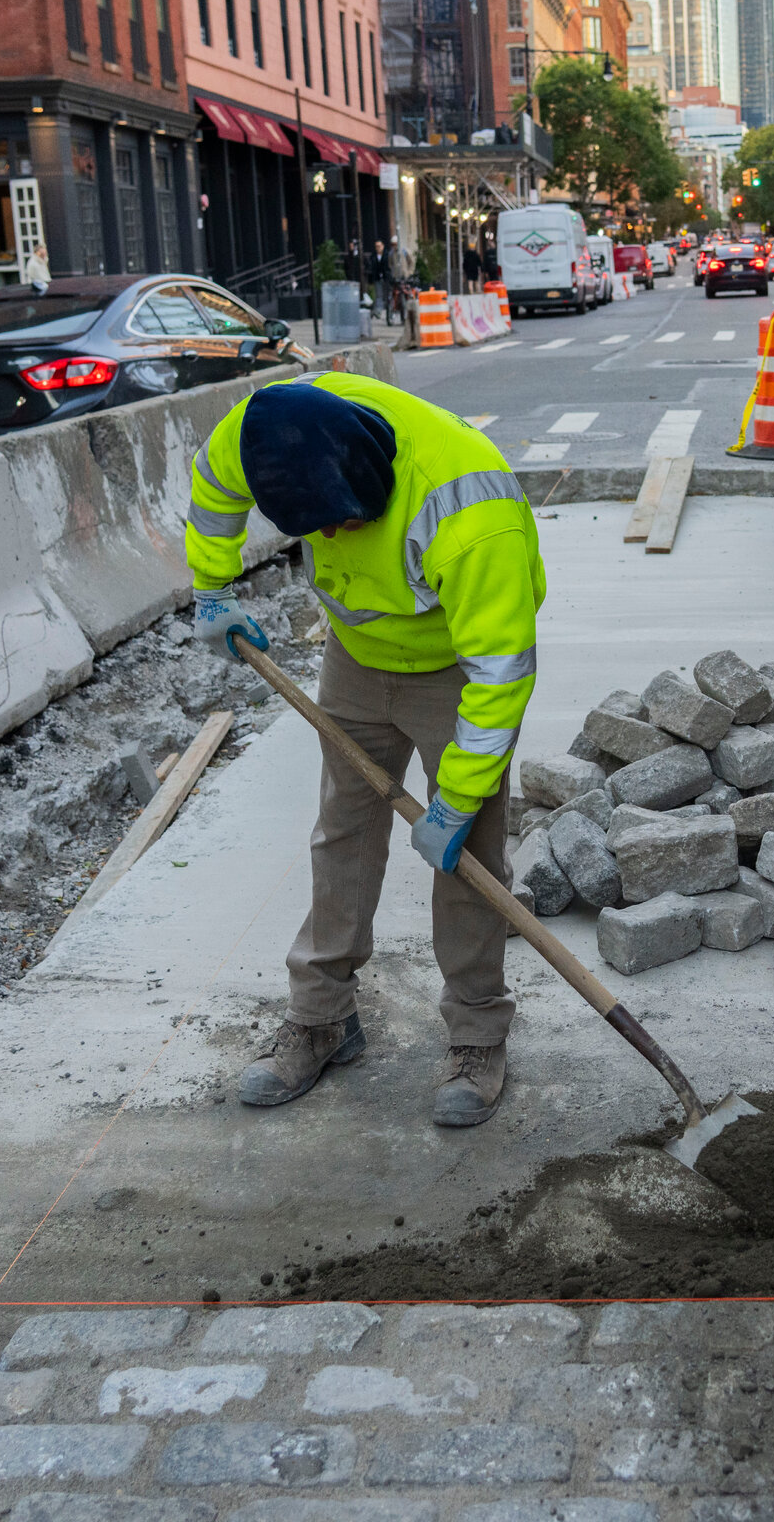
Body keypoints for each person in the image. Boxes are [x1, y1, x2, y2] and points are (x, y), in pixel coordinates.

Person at [185, 372, 546, 1124]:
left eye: (344, 520)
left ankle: (478, 1034)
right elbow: (214, 488)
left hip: (452, 666)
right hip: (354, 657)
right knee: (343, 830)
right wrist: (212, 587)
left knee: (468, 854)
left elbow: (501, 671)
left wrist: (457, 796)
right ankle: (321, 1019)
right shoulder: (264, 429)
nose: (336, 538)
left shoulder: (473, 512)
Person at [367, 239, 390, 321]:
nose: (378, 248)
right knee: (379, 294)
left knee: (387, 294)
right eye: (376, 246)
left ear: (383, 246)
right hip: (377, 277)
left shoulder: (387, 255)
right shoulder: (373, 256)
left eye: (379, 246)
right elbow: (371, 267)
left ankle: (388, 310)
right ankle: (379, 311)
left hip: (386, 277)